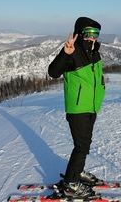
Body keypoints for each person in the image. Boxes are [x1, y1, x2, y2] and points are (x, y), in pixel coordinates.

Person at [48, 17, 105, 197]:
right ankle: (71, 183)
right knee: (81, 146)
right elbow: (53, 72)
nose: (92, 37)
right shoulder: (73, 52)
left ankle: (77, 172)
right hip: (78, 108)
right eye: (88, 33)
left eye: (95, 33)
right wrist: (65, 54)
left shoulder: (95, 52)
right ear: (80, 33)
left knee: (84, 144)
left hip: (92, 106)